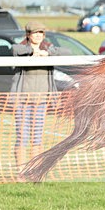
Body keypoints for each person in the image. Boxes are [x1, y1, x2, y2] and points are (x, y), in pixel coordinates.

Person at [11, 21, 65, 169]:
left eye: (41, 33)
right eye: (35, 33)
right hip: (23, 100)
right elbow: (15, 49)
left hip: (41, 101)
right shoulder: (21, 47)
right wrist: (32, 53)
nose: (38, 36)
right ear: (28, 35)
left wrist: (48, 54)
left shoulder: (47, 48)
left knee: (37, 138)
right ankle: (21, 170)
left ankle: (34, 169)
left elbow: (66, 52)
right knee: (22, 137)